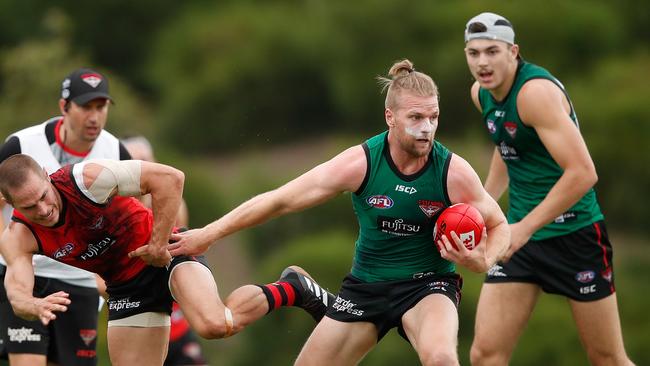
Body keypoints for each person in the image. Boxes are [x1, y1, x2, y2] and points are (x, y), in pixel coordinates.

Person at [168, 59, 510, 365]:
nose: (427, 128)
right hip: (367, 286)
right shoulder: (361, 163)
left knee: (440, 358)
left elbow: (499, 226)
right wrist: (209, 234)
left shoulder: (452, 171)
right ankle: (302, 290)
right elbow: (279, 200)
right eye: (416, 117)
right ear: (390, 117)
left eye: (433, 117)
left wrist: (483, 259)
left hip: (427, 285)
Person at [0, 155, 334, 366]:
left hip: (169, 254)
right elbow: (16, 287)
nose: (43, 210)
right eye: (29, 207)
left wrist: (158, 243)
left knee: (214, 325)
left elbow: (170, 179)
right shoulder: (20, 235)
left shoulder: (86, 180)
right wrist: (29, 304)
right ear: (9, 203)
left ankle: (293, 287)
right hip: (126, 287)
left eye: (43, 196)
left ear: (47, 176)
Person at [463, 12, 634, 366]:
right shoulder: (482, 93)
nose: (482, 62)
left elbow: (584, 173)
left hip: (575, 235)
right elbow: (507, 145)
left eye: (492, 51)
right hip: (519, 237)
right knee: (485, 355)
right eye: (474, 53)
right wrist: (484, 205)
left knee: (606, 358)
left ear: (513, 52)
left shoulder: (535, 94)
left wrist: (523, 229)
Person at [0, 68, 132, 366]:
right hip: (26, 271)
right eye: (86, 107)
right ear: (64, 107)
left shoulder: (115, 151)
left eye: (101, 107)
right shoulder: (20, 145)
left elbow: (131, 217)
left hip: (79, 281)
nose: (94, 117)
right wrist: (8, 249)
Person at [122, 136, 206, 366]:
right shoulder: (114, 213)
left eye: (146, 160)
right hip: (136, 329)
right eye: (135, 161)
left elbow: (173, 248)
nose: (143, 166)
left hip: (175, 326)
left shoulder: (174, 205)